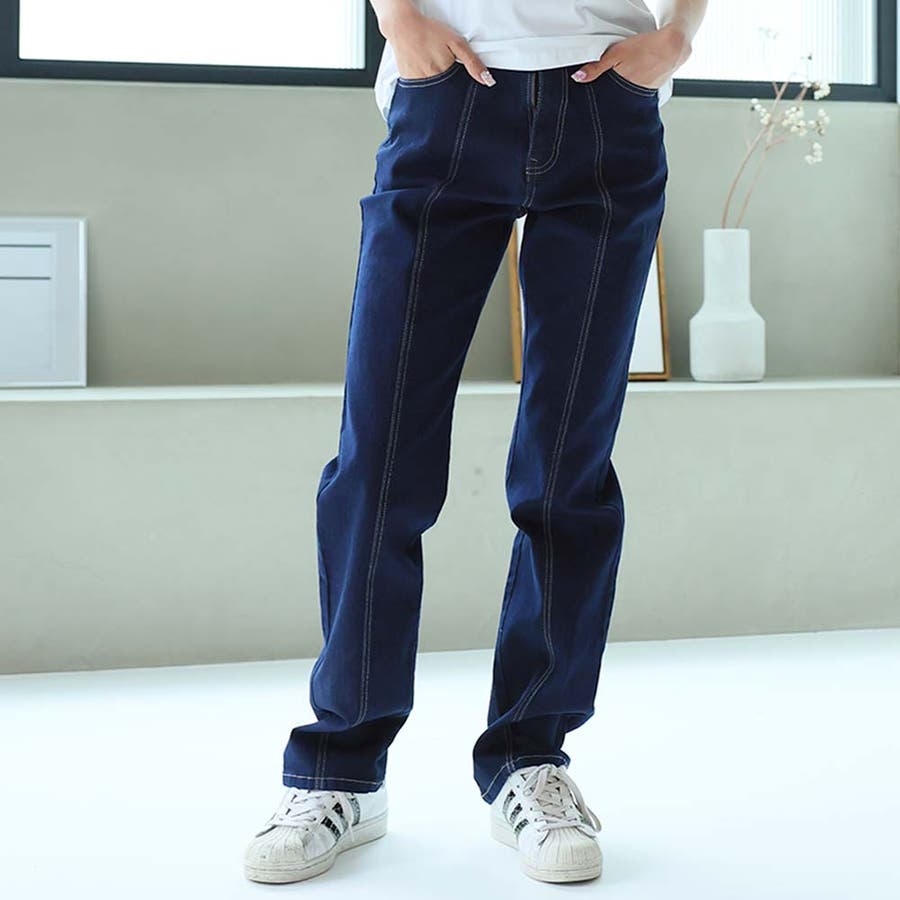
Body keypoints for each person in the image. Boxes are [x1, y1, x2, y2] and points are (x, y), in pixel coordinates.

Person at [244, 0, 706, 885]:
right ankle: (340, 767)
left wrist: (680, 33)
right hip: (449, 89)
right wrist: (398, 18)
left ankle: (530, 760)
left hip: (607, 98)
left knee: (567, 467)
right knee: (378, 459)